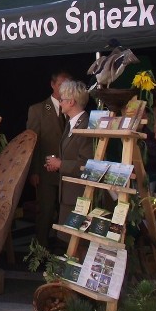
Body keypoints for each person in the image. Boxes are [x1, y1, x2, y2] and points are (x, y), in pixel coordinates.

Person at [26, 71, 72, 247]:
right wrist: (34, 171)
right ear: (52, 85)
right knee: (45, 213)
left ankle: (64, 252)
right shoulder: (37, 109)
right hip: (46, 171)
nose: (65, 89)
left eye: (69, 85)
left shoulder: (73, 110)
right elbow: (32, 144)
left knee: (67, 213)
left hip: (68, 170)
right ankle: (40, 251)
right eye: (62, 85)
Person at [45, 80, 93, 237]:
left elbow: (87, 164)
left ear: (71, 102)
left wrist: (61, 164)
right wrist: (57, 164)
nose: (60, 102)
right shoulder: (70, 124)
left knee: (77, 243)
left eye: (62, 99)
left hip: (79, 196)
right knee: (68, 243)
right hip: (68, 195)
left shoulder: (85, 125)